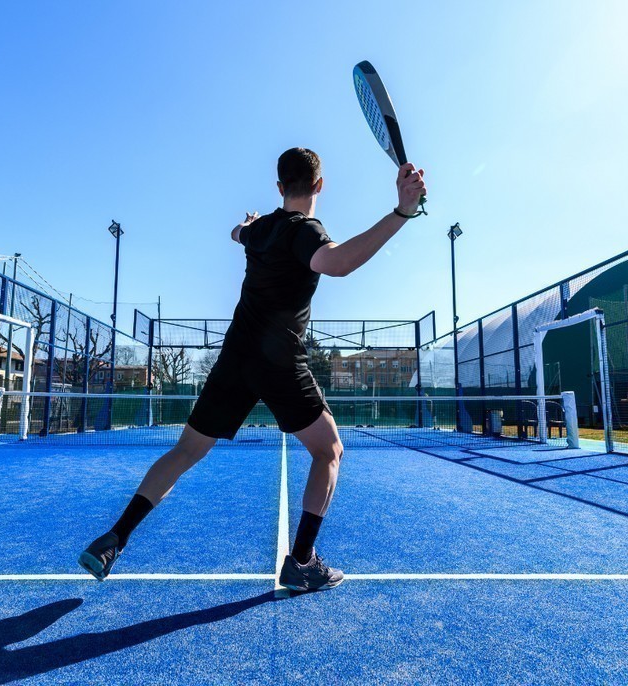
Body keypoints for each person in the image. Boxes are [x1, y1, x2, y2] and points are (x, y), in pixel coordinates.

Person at [79, 147, 427, 592]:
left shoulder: (259, 229)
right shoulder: (306, 231)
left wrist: (248, 222)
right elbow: (336, 263)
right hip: (279, 362)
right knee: (329, 451)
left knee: (185, 451)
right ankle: (302, 561)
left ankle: (115, 537)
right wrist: (402, 211)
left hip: (236, 358)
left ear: (280, 187)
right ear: (319, 186)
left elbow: (235, 232)